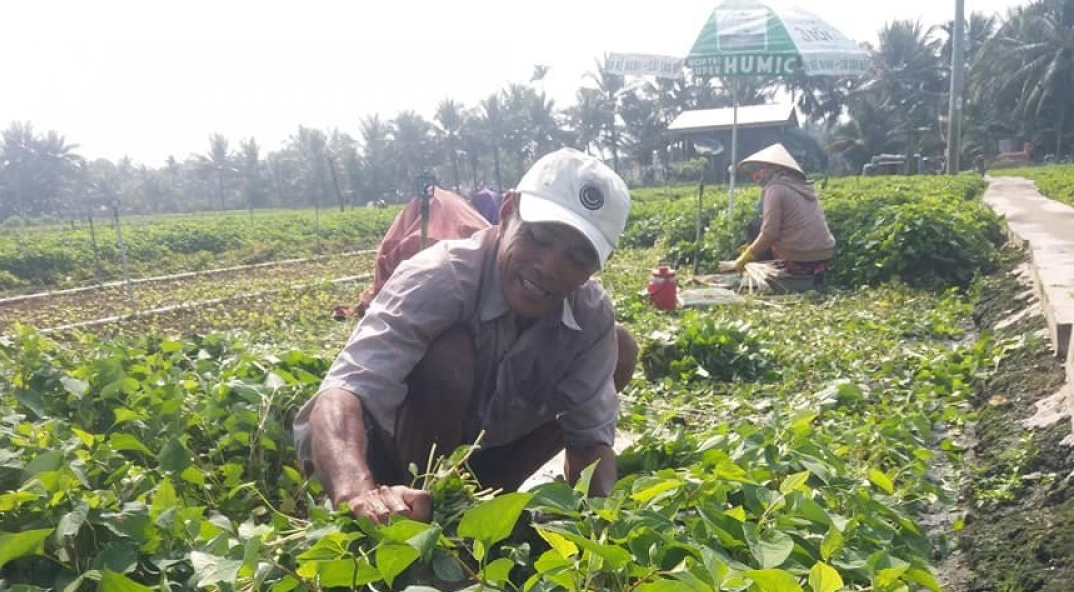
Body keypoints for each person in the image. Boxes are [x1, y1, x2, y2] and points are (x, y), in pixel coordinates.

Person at [293, 148, 637, 524]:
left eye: (578, 259)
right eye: (539, 237)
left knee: (619, 347)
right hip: (390, 462)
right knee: (449, 354)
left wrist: (605, 528)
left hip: (487, 458)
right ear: (507, 211)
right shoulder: (441, 276)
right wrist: (356, 493)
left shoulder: (590, 314)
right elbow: (344, 392)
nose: (549, 267)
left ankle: (484, 501)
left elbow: (589, 441)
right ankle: (419, 508)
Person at [721, 143, 835, 282]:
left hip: (798, 258)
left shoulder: (775, 189)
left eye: (759, 170)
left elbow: (770, 233)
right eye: (753, 173)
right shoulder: (802, 186)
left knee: (754, 227)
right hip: (823, 255)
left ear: (773, 169)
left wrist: (747, 255)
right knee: (758, 225)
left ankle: (767, 276)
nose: (755, 176)